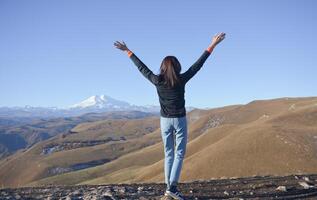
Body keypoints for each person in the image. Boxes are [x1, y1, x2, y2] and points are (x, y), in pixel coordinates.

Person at [114, 33, 225, 200]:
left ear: (163, 67)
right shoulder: (181, 79)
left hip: (164, 121)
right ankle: (172, 187)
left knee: (169, 154)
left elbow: (141, 68)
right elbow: (198, 65)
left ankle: (169, 189)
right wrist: (212, 45)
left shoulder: (156, 80)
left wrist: (127, 51)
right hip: (179, 120)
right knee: (179, 154)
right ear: (177, 67)